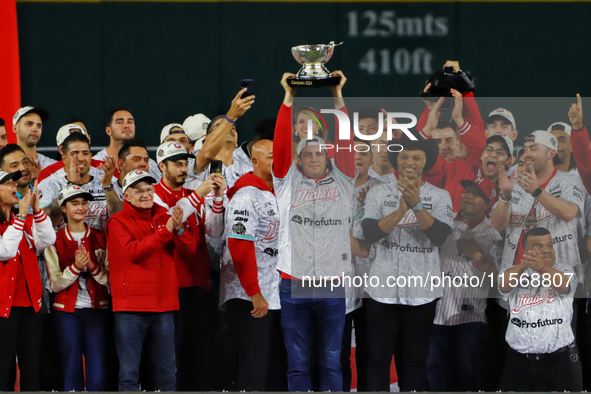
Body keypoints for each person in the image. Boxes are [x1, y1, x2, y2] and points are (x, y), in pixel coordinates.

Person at [273, 70, 356, 392]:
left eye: (319, 152)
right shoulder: (285, 181)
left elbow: (347, 140)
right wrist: (288, 99)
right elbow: (281, 143)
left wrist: (337, 96)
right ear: (298, 158)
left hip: (331, 285)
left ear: (329, 155)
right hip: (293, 284)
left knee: (331, 361)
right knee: (297, 363)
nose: (313, 157)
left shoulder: (344, 180)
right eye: (306, 153)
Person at [361, 135, 453, 391]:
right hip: (382, 292)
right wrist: (401, 211)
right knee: (377, 360)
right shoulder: (378, 192)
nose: (409, 161)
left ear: (425, 163)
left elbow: (438, 237)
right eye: (404, 157)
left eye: (416, 157)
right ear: (396, 161)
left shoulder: (441, 196)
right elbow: (370, 233)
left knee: (415, 361)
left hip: (422, 294)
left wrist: (416, 205)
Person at [106, 169, 195, 391]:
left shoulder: (165, 217)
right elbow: (134, 252)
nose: (145, 194)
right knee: (129, 373)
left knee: (168, 372)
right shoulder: (117, 221)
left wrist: (181, 228)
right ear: (125, 195)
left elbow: (190, 250)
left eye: (149, 189)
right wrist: (166, 231)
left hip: (163, 306)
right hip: (130, 308)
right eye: (138, 191)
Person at [153, 141, 225, 390]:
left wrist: (216, 198)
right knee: (171, 353)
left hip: (198, 282)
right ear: (162, 166)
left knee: (200, 351)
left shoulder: (194, 194)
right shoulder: (154, 194)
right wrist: (200, 195)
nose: (183, 169)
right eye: (177, 164)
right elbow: (170, 220)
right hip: (169, 287)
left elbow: (214, 232)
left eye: (185, 164)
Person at [428, 178, 501, 391]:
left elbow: (499, 280)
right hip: (437, 313)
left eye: (476, 194)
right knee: (434, 375)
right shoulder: (445, 223)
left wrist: (478, 257)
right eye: (466, 191)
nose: (467, 196)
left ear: (487, 204)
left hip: (470, 317)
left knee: (467, 376)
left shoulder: (491, 235)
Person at [220, 139, 281, 391]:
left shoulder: (279, 190)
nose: (276, 161)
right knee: (252, 364)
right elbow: (239, 247)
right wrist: (254, 292)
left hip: (276, 292)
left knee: (272, 364)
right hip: (248, 296)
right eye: (269, 157)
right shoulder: (245, 195)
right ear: (254, 161)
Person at [491, 130, 584, 283]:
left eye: (533, 148)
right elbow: (497, 224)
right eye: (526, 148)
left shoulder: (569, 181)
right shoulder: (515, 183)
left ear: (551, 154)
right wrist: (505, 196)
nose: (527, 153)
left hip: (558, 276)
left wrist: (536, 190)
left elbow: (569, 212)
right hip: (519, 276)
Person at [43, 185, 110, 391]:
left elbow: (110, 280)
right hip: (65, 312)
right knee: (70, 369)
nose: (81, 207)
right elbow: (54, 284)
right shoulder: (53, 239)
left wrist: (91, 266)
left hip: (98, 310)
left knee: (98, 371)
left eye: (83, 202)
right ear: (63, 208)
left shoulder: (102, 236)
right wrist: (75, 268)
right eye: (74, 203)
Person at [498, 227, 579, 391]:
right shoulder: (512, 271)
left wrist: (542, 268)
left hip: (557, 361)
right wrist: (524, 265)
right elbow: (503, 285)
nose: (547, 250)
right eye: (539, 246)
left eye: (549, 245)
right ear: (526, 251)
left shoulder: (566, 270)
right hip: (518, 361)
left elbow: (563, 286)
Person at [0, 172, 55, 391]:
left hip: (31, 306)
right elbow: (5, 251)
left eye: (15, 181)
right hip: (3, 308)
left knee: (31, 369)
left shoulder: (24, 220)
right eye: (7, 183)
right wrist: (22, 217)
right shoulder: (20, 221)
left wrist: (36, 210)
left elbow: (48, 240)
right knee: (3, 368)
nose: (15, 185)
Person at [39, 133, 115, 230]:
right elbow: (45, 225)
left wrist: (108, 187)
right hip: (63, 243)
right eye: (74, 154)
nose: (81, 158)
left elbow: (120, 220)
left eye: (85, 153)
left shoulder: (106, 178)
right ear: (64, 159)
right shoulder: (49, 184)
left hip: (101, 243)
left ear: (91, 156)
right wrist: (70, 185)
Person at [93, 106, 161, 181]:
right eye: (119, 122)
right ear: (108, 131)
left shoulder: (149, 165)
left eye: (130, 122)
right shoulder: (95, 164)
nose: (126, 126)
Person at [38, 123, 102, 182]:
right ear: (61, 150)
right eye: (75, 153)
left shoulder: (104, 169)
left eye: (85, 153)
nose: (81, 158)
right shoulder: (48, 174)